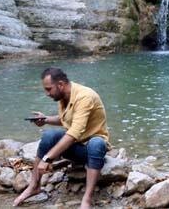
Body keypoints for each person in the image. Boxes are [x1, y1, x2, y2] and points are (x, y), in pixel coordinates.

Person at [14, 68, 111, 209]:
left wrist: (47, 159)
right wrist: (45, 119)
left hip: (92, 150)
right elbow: (66, 119)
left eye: (48, 89)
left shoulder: (85, 96)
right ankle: (34, 186)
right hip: (76, 147)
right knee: (48, 135)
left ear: (60, 85)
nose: (47, 94)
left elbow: (73, 134)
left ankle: (87, 199)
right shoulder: (64, 96)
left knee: (96, 143)